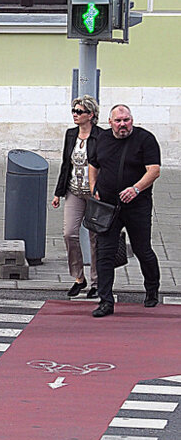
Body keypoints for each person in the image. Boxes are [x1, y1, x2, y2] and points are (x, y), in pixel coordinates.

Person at [87, 104, 162, 318]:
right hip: (108, 206)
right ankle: (106, 301)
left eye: (126, 120)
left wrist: (136, 189)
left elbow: (154, 170)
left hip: (137, 205)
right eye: (118, 121)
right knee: (105, 253)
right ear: (110, 122)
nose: (123, 125)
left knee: (142, 250)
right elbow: (93, 164)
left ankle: (152, 288)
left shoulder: (145, 139)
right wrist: (94, 188)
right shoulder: (101, 139)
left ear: (132, 120)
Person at [51, 95, 103, 299]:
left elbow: (104, 166)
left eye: (79, 112)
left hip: (94, 193)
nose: (75, 115)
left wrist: (102, 191)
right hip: (73, 190)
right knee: (69, 233)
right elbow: (66, 164)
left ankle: (97, 282)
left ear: (90, 115)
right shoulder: (71, 135)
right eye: (73, 111)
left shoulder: (101, 136)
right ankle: (79, 278)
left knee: (95, 238)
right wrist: (58, 192)